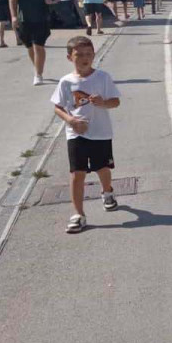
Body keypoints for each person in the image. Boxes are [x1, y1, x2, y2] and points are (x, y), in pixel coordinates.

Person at [50, 36, 122, 233]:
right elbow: (57, 107)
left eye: (88, 54)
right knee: (77, 173)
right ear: (69, 57)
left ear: (94, 55)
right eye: (79, 55)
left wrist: (103, 103)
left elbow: (115, 101)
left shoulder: (102, 77)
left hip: (100, 132)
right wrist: (71, 120)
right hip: (76, 134)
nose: (84, 58)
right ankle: (78, 214)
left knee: (102, 168)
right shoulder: (66, 82)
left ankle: (107, 192)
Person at [9, 0, 57, 85]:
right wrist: (14, 16)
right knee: (29, 46)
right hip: (24, 18)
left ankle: (38, 74)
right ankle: (37, 67)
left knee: (38, 46)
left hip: (42, 18)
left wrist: (51, 1)